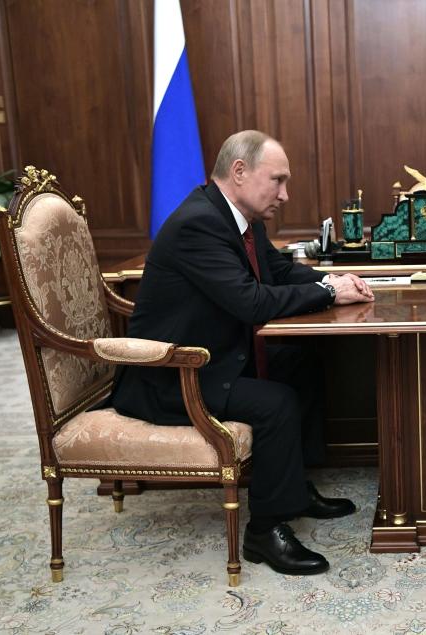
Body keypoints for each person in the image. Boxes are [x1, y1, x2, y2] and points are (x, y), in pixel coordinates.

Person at [111, 130, 374, 576]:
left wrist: (336, 280)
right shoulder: (199, 224)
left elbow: (278, 270)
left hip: (215, 356)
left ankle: (294, 487)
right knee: (276, 402)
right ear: (239, 172)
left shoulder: (240, 218)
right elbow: (250, 301)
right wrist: (328, 294)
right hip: (173, 374)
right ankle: (264, 532)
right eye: (278, 180)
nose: (285, 194)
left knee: (302, 361)